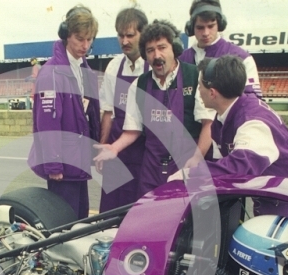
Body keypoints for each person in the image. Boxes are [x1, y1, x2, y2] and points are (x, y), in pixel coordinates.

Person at [93, 20, 202, 198]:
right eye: (150, 51)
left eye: (162, 47)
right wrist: (114, 148)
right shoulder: (140, 85)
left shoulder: (194, 76)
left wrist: (197, 159)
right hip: (151, 171)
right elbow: (132, 130)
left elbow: (208, 125)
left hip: (186, 167)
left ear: (174, 48)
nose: (156, 55)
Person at [27, 5, 101, 220]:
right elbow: (47, 123)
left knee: (80, 220)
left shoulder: (84, 70)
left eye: (89, 40)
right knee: (64, 223)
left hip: (79, 160)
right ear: (66, 35)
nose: (85, 45)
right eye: (80, 38)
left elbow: (92, 115)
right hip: (62, 167)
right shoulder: (51, 72)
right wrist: (53, 164)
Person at [196, 55, 288, 179]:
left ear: (212, 93)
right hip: (273, 192)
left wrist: (191, 174)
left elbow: (241, 168)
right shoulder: (225, 115)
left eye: (199, 85)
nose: (199, 90)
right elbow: (221, 164)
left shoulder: (253, 121)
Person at [179, 0, 262, 159]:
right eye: (200, 27)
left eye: (211, 26)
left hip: (224, 146)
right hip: (186, 146)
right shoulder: (182, 59)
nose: (205, 33)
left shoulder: (241, 57)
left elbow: (252, 103)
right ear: (191, 28)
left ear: (220, 25)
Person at [96, 7, 148, 213]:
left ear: (142, 34)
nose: (124, 41)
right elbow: (108, 112)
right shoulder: (113, 66)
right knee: (110, 211)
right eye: (120, 35)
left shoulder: (152, 68)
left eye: (130, 35)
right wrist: (103, 146)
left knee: (136, 212)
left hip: (144, 153)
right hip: (116, 152)